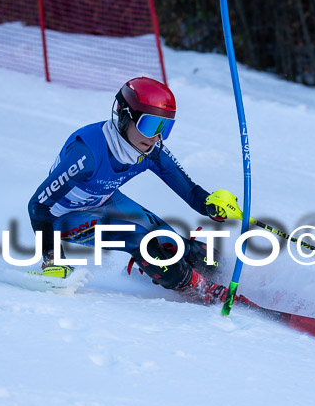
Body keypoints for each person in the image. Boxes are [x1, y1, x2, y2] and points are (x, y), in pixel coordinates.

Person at [27, 77, 235, 305]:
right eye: (150, 125)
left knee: (172, 242)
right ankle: (198, 289)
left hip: (103, 199)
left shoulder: (151, 151)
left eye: (165, 127)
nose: (157, 137)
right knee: (138, 237)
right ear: (124, 115)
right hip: (61, 218)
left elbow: (192, 193)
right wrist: (53, 260)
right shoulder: (86, 155)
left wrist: (211, 204)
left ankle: (225, 272)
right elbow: (38, 205)